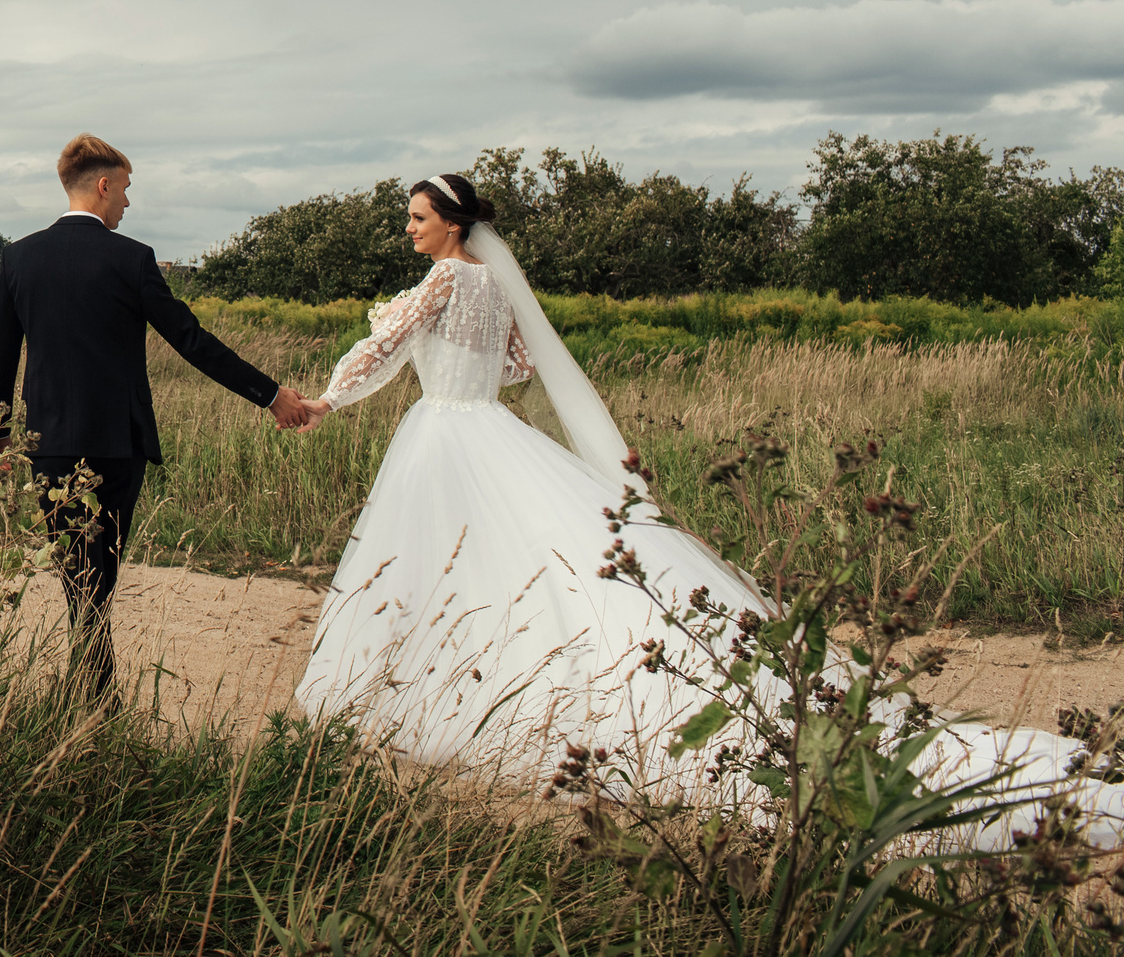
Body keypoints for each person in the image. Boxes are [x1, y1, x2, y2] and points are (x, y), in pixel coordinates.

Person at [294, 171, 1124, 848]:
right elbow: (516, 367)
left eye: (416, 217)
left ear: (451, 224)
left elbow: (383, 345)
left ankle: (416, 683)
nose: (408, 228)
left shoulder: (441, 280)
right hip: (490, 426)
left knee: (442, 556)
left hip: (443, 432)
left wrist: (330, 398)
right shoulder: (493, 287)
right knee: (516, 555)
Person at [0, 133, 311, 694]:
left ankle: (87, 698)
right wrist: (269, 394)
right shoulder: (131, 258)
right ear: (103, 185)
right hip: (116, 444)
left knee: (79, 580)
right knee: (96, 580)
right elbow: (191, 340)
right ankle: (92, 701)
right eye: (127, 189)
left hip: (50, 444)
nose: (128, 203)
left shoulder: (18, 257)